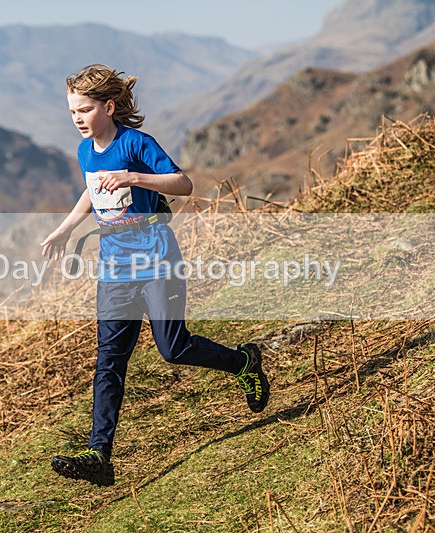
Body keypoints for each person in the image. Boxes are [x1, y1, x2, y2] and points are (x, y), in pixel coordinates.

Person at [41, 64, 270, 487]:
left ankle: (244, 363)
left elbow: (182, 184)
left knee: (173, 348)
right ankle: (99, 454)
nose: (76, 118)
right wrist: (64, 229)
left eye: (84, 109)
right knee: (109, 361)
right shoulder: (85, 150)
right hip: (114, 264)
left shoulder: (136, 143)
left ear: (109, 107)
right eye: (72, 110)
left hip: (155, 255)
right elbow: (92, 191)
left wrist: (131, 175)